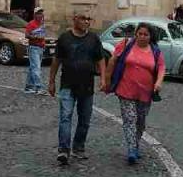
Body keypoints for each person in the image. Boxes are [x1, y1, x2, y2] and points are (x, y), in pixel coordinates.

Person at [48, 11, 106, 165]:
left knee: (84, 119)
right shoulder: (65, 38)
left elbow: (100, 59)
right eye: (83, 18)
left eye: (88, 19)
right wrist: (51, 81)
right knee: (65, 117)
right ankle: (63, 150)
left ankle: (78, 147)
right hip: (67, 84)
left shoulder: (93, 39)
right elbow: (56, 60)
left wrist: (103, 78)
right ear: (74, 20)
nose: (86, 21)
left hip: (87, 86)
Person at [105, 23, 166, 164]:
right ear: (136, 34)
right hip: (125, 90)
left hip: (145, 93)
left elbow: (161, 67)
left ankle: (136, 143)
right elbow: (113, 60)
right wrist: (107, 80)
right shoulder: (126, 45)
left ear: (150, 37)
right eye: (140, 34)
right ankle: (132, 149)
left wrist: (158, 82)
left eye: (146, 34)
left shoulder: (155, 51)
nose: (142, 37)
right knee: (129, 119)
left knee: (140, 122)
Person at [24, 7, 48, 94]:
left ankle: (28, 87)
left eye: (41, 13)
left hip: (40, 48)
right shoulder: (31, 24)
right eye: (38, 13)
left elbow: (43, 35)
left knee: (32, 68)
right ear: (35, 15)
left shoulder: (42, 24)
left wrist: (43, 44)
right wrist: (34, 37)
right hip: (33, 48)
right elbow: (26, 35)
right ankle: (39, 87)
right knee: (36, 68)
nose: (40, 15)